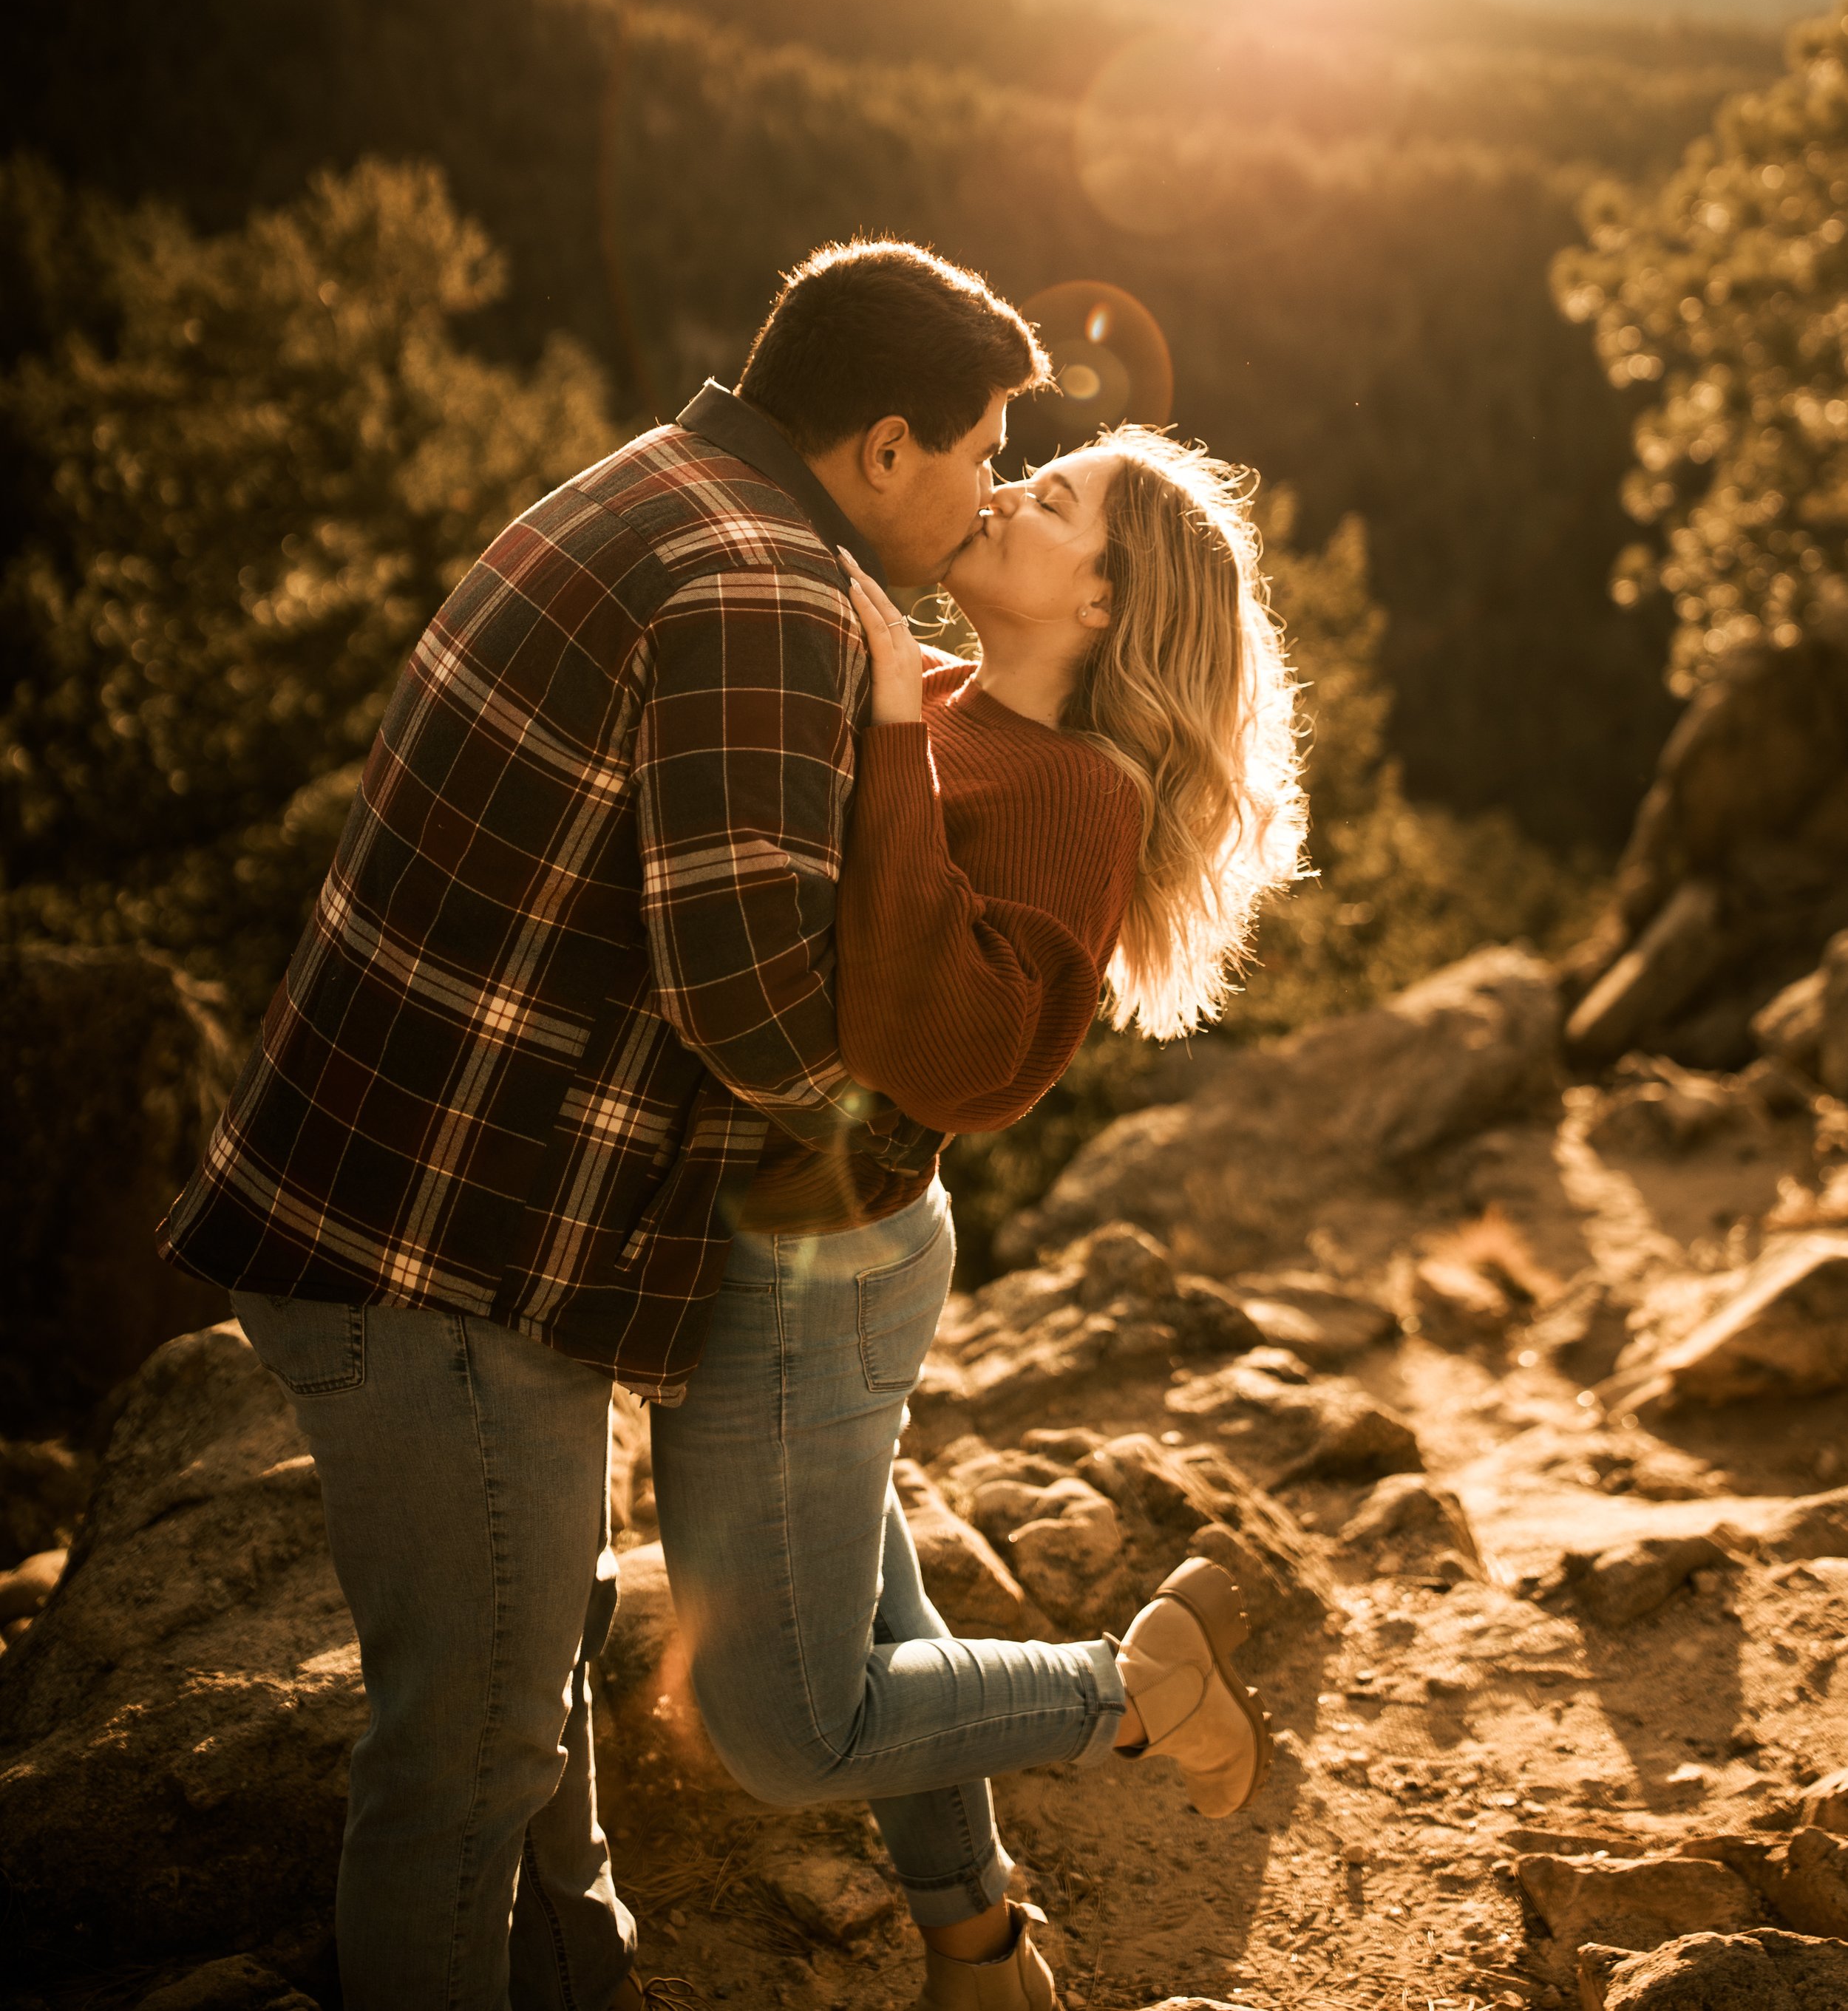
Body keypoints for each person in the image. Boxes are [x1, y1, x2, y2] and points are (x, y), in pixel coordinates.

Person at [157, 239, 1051, 2011]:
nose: (991, 492)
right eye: (977, 451)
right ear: (881, 448)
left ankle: (581, 1981)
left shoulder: (662, 486)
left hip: (421, 1218)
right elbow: (752, 1011)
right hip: (439, 1261)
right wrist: (935, 1061)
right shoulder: (760, 593)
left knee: (527, 1693)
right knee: (467, 1763)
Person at [648, 422, 1308, 2011]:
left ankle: (1128, 1687)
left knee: (790, 1728)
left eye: (1052, 500)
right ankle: (978, 1945)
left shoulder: (1073, 791)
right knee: (873, 1617)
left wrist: (882, 722)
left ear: (1100, 606)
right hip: (785, 1233)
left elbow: (927, 1047)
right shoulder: (938, 697)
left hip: (831, 1265)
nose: (1004, 493)